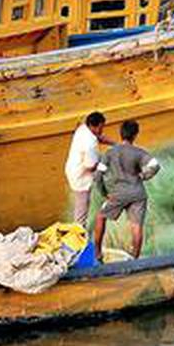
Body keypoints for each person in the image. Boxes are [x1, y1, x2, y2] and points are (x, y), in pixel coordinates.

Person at [94, 120, 160, 261]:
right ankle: (135, 258)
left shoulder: (110, 153)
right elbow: (155, 165)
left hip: (117, 194)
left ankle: (97, 252)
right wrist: (144, 176)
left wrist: (104, 194)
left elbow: (98, 175)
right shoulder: (138, 152)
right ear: (135, 135)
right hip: (137, 193)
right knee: (136, 226)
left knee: (100, 217)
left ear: (121, 134)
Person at [64, 111, 112, 227]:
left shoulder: (83, 129)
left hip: (72, 167)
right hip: (81, 178)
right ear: (93, 126)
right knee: (82, 209)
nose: (102, 130)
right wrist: (106, 167)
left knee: (81, 205)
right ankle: (79, 237)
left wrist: (114, 144)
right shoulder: (90, 144)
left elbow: (99, 137)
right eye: (101, 127)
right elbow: (90, 166)